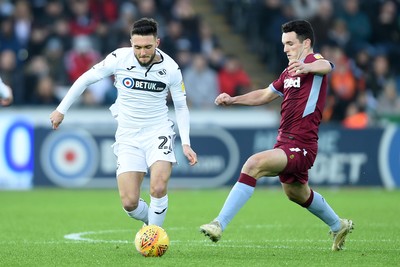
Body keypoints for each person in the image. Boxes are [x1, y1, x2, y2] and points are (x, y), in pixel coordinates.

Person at [199, 20, 354, 251]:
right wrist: (234, 100)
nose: (285, 49)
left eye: (290, 43)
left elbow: (327, 66)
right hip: (284, 141)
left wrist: (308, 67)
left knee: (253, 164)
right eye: (284, 44)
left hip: (302, 144)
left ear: (306, 43)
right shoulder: (287, 71)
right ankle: (338, 224)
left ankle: (218, 224)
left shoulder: (313, 62)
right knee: (296, 193)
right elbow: (264, 94)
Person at [50, 18, 198, 227]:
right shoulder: (119, 58)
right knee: (129, 202)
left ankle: (155, 234)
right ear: (131, 43)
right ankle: (151, 223)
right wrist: (61, 110)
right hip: (128, 136)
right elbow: (86, 79)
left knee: (157, 186)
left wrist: (185, 142)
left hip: (158, 132)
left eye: (148, 47)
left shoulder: (171, 68)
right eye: (137, 47)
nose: (142, 52)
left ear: (158, 43)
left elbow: (181, 107)